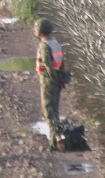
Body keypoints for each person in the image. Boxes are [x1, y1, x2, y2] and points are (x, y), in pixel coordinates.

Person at [34, 18, 67, 147]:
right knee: (55, 109)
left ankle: (54, 140)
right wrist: (61, 80)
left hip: (48, 80)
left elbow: (47, 64)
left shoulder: (44, 45)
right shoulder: (56, 43)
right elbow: (62, 63)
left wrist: (53, 79)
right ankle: (59, 136)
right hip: (58, 78)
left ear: (39, 31)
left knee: (48, 110)